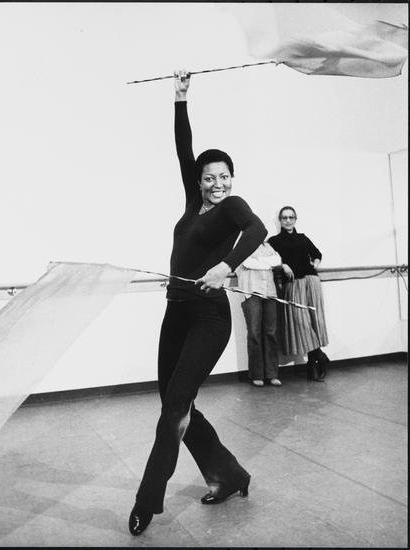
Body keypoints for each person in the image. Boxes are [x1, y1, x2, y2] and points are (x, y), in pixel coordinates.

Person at [129, 69, 268, 536]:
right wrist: (180, 97)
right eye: (209, 177)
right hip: (176, 311)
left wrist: (226, 266)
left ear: (232, 179)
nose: (217, 183)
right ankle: (228, 474)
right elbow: (183, 148)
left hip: (209, 317)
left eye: (223, 176)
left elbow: (257, 230)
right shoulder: (194, 202)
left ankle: (147, 500)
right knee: (173, 399)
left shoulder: (233, 206)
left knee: (175, 407)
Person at [268, 206, 329, 382]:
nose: (288, 221)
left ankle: (312, 364)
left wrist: (314, 264)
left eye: (291, 217)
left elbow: (317, 254)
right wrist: (282, 264)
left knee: (315, 321)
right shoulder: (274, 241)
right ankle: (320, 356)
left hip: (311, 281)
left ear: (295, 219)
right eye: (284, 218)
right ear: (280, 220)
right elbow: (268, 259)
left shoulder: (302, 237)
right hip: (293, 284)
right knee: (301, 322)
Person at [236, 239, 282, 387]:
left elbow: (277, 260)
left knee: (271, 332)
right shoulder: (241, 245)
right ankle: (257, 375)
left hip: (269, 292)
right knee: (254, 333)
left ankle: (272, 374)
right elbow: (247, 263)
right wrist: (267, 263)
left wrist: (258, 261)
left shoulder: (268, 246)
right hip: (251, 292)